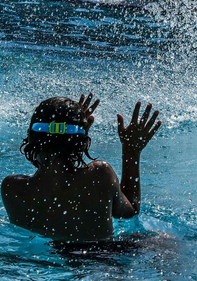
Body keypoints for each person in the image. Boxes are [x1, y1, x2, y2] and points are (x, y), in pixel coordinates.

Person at [1, 94, 162, 242]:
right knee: (163, 239)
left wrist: (78, 137)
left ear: (30, 135)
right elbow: (130, 212)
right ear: (82, 141)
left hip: (44, 261)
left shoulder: (12, 189)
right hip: (102, 261)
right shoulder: (99, 174)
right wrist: (131, 151)